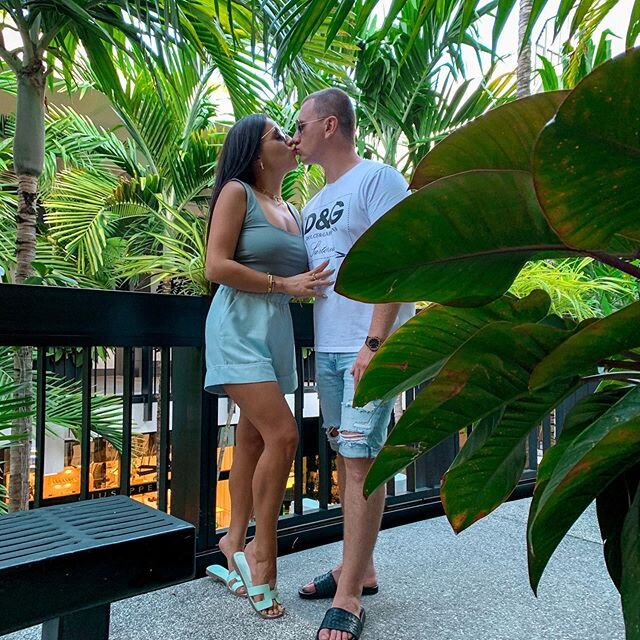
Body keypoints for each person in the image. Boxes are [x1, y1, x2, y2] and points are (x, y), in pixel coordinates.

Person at [293, 89, 413, 640]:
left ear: (329, 125)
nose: (294, 135)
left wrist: (376, 342)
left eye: (301, 124)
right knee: (348, 459)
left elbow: (400, 260)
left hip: (370, 345)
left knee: (361, 461)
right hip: (329, 345)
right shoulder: (314, 203)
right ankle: (358, 569)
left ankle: (349, 598)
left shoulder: (378, 179)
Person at [203, 113, 333, 620]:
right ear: (256, 153)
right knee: (284, 435)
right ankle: (263, 552)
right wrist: (286, 285)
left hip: (274, 330)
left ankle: (232, 542)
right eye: (278, 134)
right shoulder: (237, 192)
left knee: (255, 439)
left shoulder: (292, 209)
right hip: (237, 327)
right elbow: (215, 266)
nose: (290, 139)